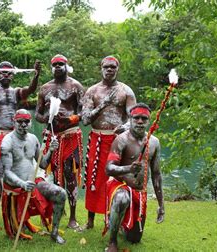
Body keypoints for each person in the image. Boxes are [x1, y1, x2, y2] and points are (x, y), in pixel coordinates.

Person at [81, 56, 137, 230]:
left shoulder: (126, 91)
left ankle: (117, 220)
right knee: (94, 179)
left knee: (118, 179)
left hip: (119, 142)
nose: (109, 69)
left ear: (117, 68)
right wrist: (103, 105)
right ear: (101, 68)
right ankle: (90, 221)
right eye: (106, 67)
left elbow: (134, 117)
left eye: (113, 67)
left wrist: (126, 126)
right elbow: (85, 119)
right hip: (97, 139)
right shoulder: (92, 91)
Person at [103, 103, 164, 252]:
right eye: (136, 118)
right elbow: (109, 169)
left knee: (134, 239)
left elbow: (156, 174)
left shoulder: (154, 142)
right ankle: (112, 241)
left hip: (139, 192)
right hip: (120, 186)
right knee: (122, 198)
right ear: (130, 119)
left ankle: (120, 222)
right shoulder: (121, 140)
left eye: (144, 118)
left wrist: (161, 204)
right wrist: (128, 168)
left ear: (149, 121)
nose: (140, 122)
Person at [0, 109, 67, 244]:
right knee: (17, 234)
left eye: (26, 122)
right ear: (14, 122)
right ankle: (20, 224)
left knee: (60, 193)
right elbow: (6, 172)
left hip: (33, 182)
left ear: (30, 123)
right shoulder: (7, 142)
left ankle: (54, 233)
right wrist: (21, 184)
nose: (23, 125)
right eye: (20, 122)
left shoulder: (33, 139)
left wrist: (51, 151)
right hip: (16, 187)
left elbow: (42, 164)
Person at [35, 54, 85, 230]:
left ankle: (72, 217)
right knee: (54, 175)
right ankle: (58, 209)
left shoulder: (76, 86)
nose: (57, 67)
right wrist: (48, 118)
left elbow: (84, 114)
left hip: (71, 135)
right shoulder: (45, 88)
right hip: (53, 135)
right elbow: (37, 114)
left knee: (70, 175)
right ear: (51, 67)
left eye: (61, 64)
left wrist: (70, 119)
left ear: (67, 65)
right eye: (55, 64)